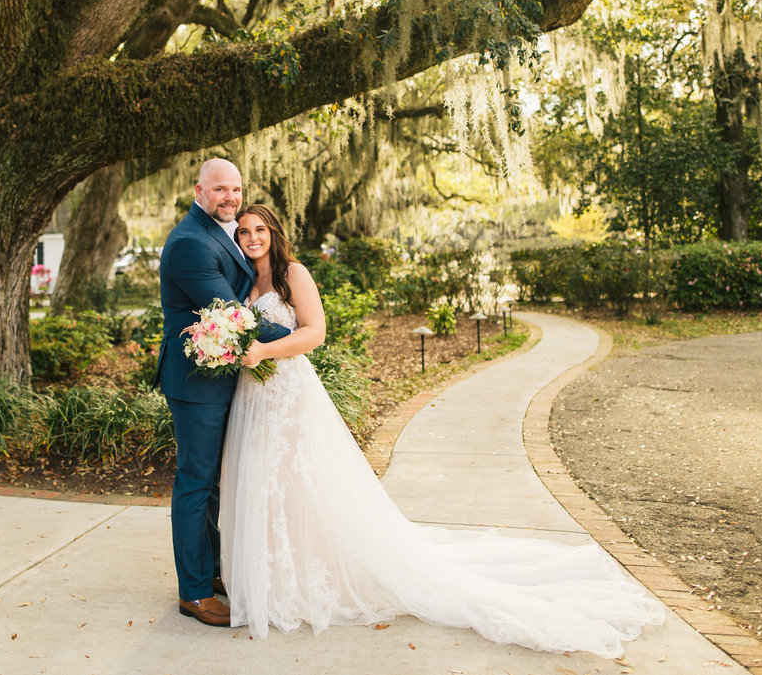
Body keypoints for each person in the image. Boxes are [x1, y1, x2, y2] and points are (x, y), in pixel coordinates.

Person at [220, 204, 666, 656]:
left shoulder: (292, 274)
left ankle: (303, 580)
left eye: (259, 230)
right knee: (268, 483)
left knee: (301, 482)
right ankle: (273, 576)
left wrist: (264, 351)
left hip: (289, 394)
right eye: (243, 232)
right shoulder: (245, 280)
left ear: (274, 233)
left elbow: (316, 332)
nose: (252, 238)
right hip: (255, 396)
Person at [154, 160, 291, 627]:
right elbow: (235, 314)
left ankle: (211, 570)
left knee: (212, 483)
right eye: (220, 190)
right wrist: (300, 334)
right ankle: (193, 593)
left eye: (235, 189)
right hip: (197, 384)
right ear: (199, 190)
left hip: (225, 376)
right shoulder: (191, 242)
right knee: (195, 482)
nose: (230, 198)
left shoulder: (222, 231)